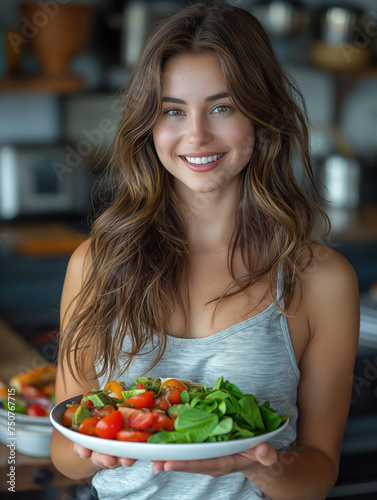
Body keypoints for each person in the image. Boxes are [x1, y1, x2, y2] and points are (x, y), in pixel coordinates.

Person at [50, 2, 360, 499]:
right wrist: (99, 450)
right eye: (173, 110)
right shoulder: (95, 265)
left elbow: (318, 473)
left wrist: (261, 467)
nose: (196, 135)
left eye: (222, 107)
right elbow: (64, 454)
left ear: (263, 116)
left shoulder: (320, 278)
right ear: (149, 126)